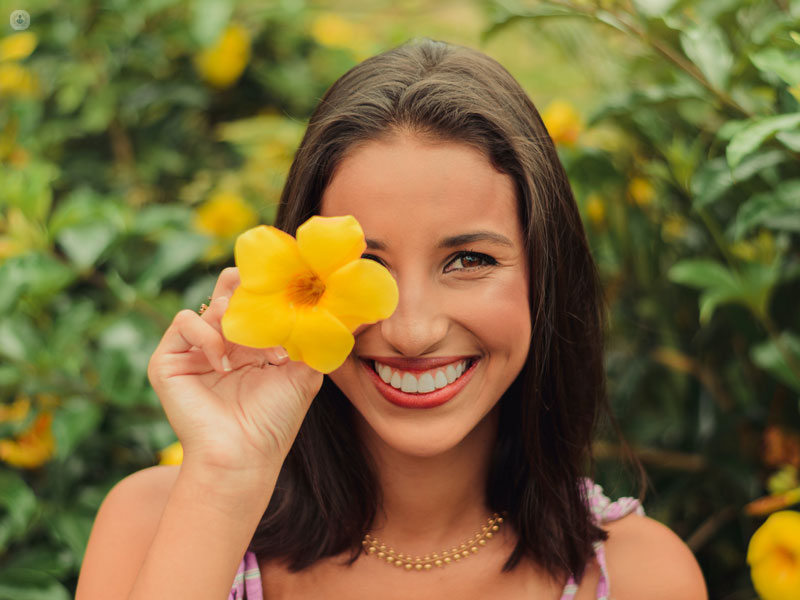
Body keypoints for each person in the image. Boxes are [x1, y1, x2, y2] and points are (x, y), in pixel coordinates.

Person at [75, 38, 708, 599]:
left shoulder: (640, 577)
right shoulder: (154, 525)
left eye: (468, 259)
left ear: (546, 277)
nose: (411, 331)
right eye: (365, 266)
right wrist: (224, 479)